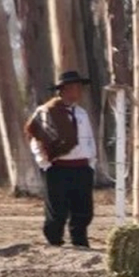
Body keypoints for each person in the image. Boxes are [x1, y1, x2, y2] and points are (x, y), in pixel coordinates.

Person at [24, 70, 97, 248]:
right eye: (75, 87)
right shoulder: (46, 111)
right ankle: (54, 240)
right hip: (58, 167)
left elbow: (88, 138)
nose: (78, 91)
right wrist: (45, 163)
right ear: (64, 90)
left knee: (83, 208)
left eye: (80, 88)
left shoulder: (81, 113)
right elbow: (37, 138)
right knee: (57, 209)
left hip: (81, 166)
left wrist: (91, 161)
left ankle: (79, 239)